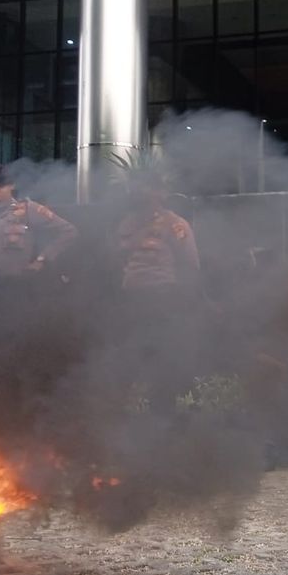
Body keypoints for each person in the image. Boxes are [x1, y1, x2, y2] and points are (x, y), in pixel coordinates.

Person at [115, 170, 201, 415]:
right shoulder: (126, 223)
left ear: (160, 193)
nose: (137, 192)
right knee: (129, 356)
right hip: (131, 299)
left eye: (144, 187)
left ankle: (164, 413)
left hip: (163, 299)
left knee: (164, 357)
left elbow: (191, 264)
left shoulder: (175, 224)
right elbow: (118, 258)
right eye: (134, 187)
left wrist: (183, 301)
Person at [0, 163, 79, 280]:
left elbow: (68, 231)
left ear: (11, 185)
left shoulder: (28, 210)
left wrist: (42, 259)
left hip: (18, 285)